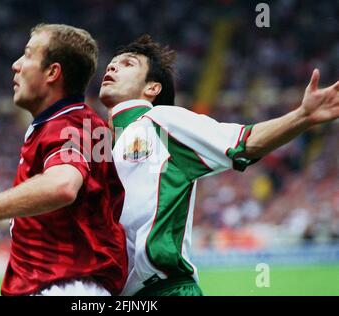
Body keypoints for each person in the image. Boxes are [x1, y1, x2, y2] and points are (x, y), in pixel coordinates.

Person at [98, 35, 339, 296]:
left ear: (152, 88)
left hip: (165, 290)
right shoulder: (99, 141)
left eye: (127, 64)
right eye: (111, 64)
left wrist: (303, 116)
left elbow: (246, 142)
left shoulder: (161, 121)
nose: (112, 67)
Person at [0, 23, 128, 296]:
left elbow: (62, 185)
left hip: (63, 287)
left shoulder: (71, 125)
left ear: (53, 72)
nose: (16, 65)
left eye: (27, 55)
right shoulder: (74, 123)